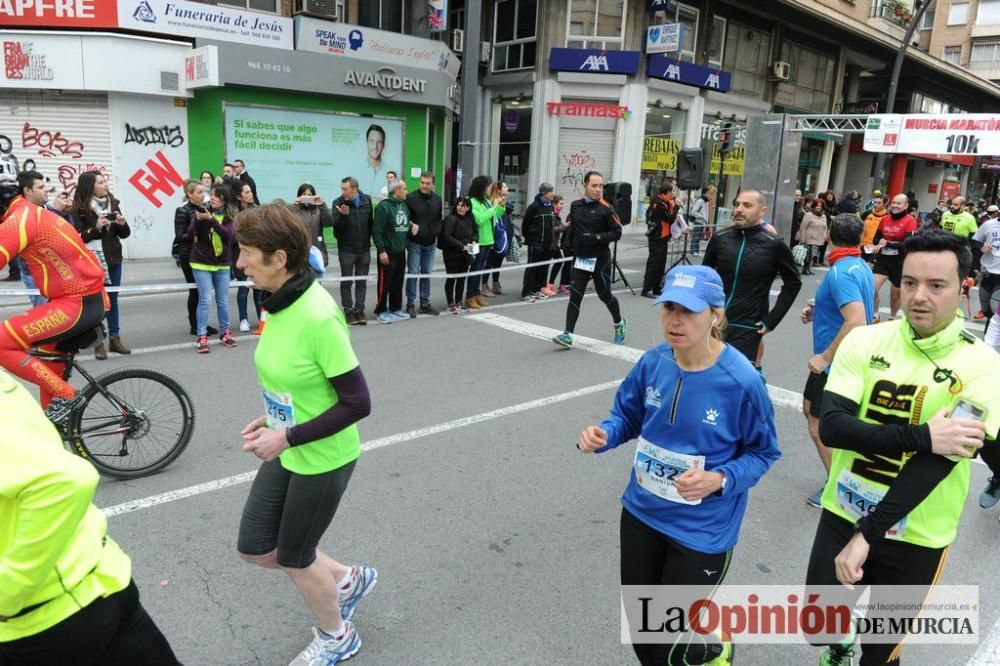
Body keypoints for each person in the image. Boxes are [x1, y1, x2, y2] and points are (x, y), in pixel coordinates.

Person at [807, 230, 1000, 666]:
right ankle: (841, 638)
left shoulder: (985, 366)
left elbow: (935, 463)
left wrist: (869, 533)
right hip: (844, 510)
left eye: (937, 286)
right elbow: (835, 428)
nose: (919, 296)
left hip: (918, 534)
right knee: (817, 629)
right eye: (910, 282)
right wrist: (921, 436)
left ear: (963, 287)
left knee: (879, 655)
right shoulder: (866, 340)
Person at [578, 265, 780, 666]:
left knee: (660, 648)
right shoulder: (653, 363)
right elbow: (627, 417)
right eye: (669, 307)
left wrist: (718, 479)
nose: (675, 319)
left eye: (689, 310)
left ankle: (709, 647)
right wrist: (604, 434)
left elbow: (764, 454)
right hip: (641, 513)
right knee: (642, 631)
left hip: (701, 532)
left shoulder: (741, 381)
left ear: (716, 315)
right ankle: (708, 647)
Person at [233, 203, 377, 666]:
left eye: (246, 253)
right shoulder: (278, 301)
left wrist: (287, 438)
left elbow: (358, 403)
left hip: (323, 458)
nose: (239, 263)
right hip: (290, 446)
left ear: (279, 258)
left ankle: (338, 636)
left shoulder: (318, 315)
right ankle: (347, 580)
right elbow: (298, 380)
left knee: (296, 557)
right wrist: (270, 417)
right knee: (255, 547)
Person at [0, 367, 180, 665]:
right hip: (98, 576)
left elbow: (66, 481)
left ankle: (65, 393)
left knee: (8, 340)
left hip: (46, 616)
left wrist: (7, 592)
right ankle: (62, 393)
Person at [0, 173, 108, 423]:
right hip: (81, 299)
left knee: (2, 343)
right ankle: (55, 432)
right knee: (47, 368)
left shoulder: (20, 219)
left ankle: (69, 396)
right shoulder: (31, 213)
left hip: (76, 303)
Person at [799, 214, 875, 508]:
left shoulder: (840, 272)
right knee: (809, 411)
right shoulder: (860, 266)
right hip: (842, 359)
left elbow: (855, 319)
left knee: (820, 426)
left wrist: (825, 356)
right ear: (860, 239)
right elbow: (857, 308)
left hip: (838, 363)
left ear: (828, 235)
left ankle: (836, 487)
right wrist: (820, 310)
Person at [702, 190, 801, 369]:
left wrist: (772, 320)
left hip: (747, 326)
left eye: (747, 205)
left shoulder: (774, 244)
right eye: (737, 204)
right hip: (714, 322)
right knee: (705, 375)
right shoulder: (720, 238)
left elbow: (793, 283)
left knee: (735, 379)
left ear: (762, 211)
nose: (739, 209)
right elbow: (704, 276)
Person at [551, 170, 628, 348]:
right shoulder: (576, 205)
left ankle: (619, 323)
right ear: (584, 185)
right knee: (575, 296)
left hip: (600, 259)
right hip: (582, 258)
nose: (598, 189)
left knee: (604, 294)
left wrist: (597, 238)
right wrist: (565, 241)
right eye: (594, 185)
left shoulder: (606, 208)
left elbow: (617, 232)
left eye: (600, 186)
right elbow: (574, 227)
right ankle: (568, 335)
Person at [71, 170, 131, 359]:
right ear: (90, 187)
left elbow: (125, 234)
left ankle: (115, 338)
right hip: (91, 261)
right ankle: (98, 342)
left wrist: (121, 223)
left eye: (105, 181)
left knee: (112, 301)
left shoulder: (114, 204)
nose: (105, 185)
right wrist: (95, 228)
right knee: (97, 303)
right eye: (100, 182)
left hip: (113, 258)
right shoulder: (79, 209)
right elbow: (78, 238)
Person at [188, 183, 239, 353]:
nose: (212, 198)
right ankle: (201, 337)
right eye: (212, 195)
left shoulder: (230, 216)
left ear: (224, 199)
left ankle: (225, 333)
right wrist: (198, 218)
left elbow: (228, 236)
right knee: (205, 299)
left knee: (223, 300)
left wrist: (211, 220)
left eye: (216, 195)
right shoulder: (202, 211)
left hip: (223, 263)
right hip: (201, 262)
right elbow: (189, 233)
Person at [174, 179, 219, 337]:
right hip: (189, 256)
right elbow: (180, 237)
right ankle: (195, 325)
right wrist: (195, 225)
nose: (203, 195)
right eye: (199, 192)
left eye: (204, 192)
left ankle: (203, 323)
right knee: (195, 291)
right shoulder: (182, 211)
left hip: (204, 254)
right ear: (189, 194)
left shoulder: (205, 208)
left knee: (204, 292)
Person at [332, 177, 373, 326]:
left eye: (345, 189)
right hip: (347, 250)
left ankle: (359, 310)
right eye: (342, 189)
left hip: (364, 249)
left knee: (361, 282)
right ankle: (348, 311)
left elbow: (370, 224)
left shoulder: (366, 201)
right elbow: (337, 232)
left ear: (354, 189)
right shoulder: (338, 203)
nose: (343, 192)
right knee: (347, 282)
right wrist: (344, 216)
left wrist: (368, 243)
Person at [871, 193, 918, 322]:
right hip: (883, 260)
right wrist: (879, 241)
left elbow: (908, 244)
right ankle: (875, 314)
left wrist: (888, 243)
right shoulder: (885, 219)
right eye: (894, 203)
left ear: (906, 206)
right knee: (872, 287)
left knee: (895, 296)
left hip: (900, 262)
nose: (895, 206)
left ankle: (892, 317)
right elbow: (876, 239)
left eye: (899, 203)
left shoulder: (910, 220)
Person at [372, 179, 411, 323]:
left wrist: (411, 228)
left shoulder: (404, 206)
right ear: (397, 190)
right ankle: (381, 310)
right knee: (385, 283)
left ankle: (395, 308)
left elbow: (404, 224)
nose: (406, 191)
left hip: (400, 251)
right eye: (404, 189)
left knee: (397, 282)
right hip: (387, 252)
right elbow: (377, 231)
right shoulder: (384, 207)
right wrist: (381, 250)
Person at [405, 171, 443, 317]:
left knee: (426, 273)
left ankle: (425, 303)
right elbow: (404, 217)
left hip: (430, 243)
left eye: (427, 183)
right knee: (413, 274)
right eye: (422, 182)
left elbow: (439, 218)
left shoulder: (437, 200)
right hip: (415, 243)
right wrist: (411, 226)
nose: (424, 186)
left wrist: (436, 231)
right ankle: (410, 304)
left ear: (433, 184)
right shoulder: (410, 198)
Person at [466, 175, 505, 309]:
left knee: (480, 269)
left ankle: (477, 294)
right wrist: (493, 208)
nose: (490, 189)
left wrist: (500, 206)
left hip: (488, 239)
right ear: (482, 188)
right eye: (488, 186)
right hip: (478, 241)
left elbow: (495, 216)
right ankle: (470, 296)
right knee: (475, 269)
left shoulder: (485, 201)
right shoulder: (472, 202)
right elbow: (479, 219)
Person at [439, 196, 477, 313]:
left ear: (468, 208)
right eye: (458, 205)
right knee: (451, 278)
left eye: (463, 206)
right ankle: (450, 303)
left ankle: (459, 302)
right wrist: (461, 246)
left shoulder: (470, 219)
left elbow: (475, 232)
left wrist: (474, 240)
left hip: (465, 254)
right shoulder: (451, 219)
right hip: (452, 254)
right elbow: (447, 236)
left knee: (461, 279)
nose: (460, 207)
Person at [521, 182, 559, 301]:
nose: (552, 193)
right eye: (550, 191)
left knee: (543, 269)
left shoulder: (550, 206)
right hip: (535, 242)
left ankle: (538, 289)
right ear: (544, 193)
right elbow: (525, 224)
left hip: (547, 243)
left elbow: (551, 226)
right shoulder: (534, 206)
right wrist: (530, 239)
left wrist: (552, 242)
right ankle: (526, 292)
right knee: (532, 268)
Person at [233, 184, 263, 333]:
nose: (250, 194)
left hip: (256, 254)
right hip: (241, 255)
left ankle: (261, 318)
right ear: (239, 196)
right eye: (247, 192)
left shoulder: (256, 210)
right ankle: (243, 319)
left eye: (251, 191)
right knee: (243, 288)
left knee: (258, 288)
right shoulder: (234, 213)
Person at [640, 182, 676, 299]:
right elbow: (669, 218)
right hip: (656, 237)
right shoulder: (658, 203)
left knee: (661, 263)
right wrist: (676, 207)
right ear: (667, 192)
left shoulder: (665, 202)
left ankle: (657, 287)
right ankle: (646, 289)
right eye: (672, 191)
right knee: (654, 263)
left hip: (663, 236)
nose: (673, 194)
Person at [481, 181, 513, 297]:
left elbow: (509, 209)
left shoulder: (504, 201)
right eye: (504, 187)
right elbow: (493, 215)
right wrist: (499, 202)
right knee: (489, 262)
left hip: (504, 234)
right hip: (494, 235)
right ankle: (484, 285)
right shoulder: (491, 202)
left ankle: (495, 283)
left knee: (498, 261)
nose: (507, 188)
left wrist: (504, 200)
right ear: (498, 190)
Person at [292, 184, 335, 267]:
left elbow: (328, 223)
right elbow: (287, 223)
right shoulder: (295, 209)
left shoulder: (319, 209)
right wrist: (294, 206)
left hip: (317, 251)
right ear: (299, 196)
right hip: (300, 252)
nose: (307, 197)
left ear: (314, 196)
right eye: (304, 194)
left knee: (317, 279)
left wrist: (322, 205)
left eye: (309, 195)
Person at [797, 198, 829, 276]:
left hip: (818, 239)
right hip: (808, 238)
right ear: (814, 206)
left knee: (813, 255)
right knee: (807, 254)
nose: (819, 207)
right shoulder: (808, 215)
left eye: (820, 206)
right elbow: (803, 227)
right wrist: (803, 239)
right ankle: (805, 269)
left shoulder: (823, 216)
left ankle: (808, 268)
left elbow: (825, 226)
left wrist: (825, 236)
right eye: (817, 205)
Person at [549, 195, 572, 294]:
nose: (563, 206)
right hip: (550, 244)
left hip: (554, 244)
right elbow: (553, 230)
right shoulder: (552, 215)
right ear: (554, 204)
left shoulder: (556, 215)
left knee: (559, 261)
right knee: (545, 265)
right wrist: (565, 226)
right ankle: (548, 285)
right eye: (561, 204)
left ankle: (549, 285)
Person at [364, 124, 393, 199]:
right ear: (367, 142)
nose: (375, 146)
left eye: (379, 142)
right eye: (372, 141)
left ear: (383, 145)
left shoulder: (393, 173)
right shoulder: (355, 172)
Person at [860, 194, 887, 264]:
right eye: (875, 202)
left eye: (879, 203)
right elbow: (859, 227)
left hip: (876, 248)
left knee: (869, 269)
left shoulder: (887, 217)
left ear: (885, 204)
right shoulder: (867, 213)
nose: (876, 204)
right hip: (863, 246)